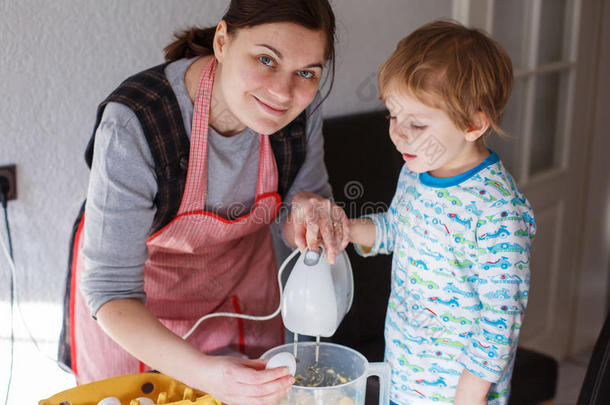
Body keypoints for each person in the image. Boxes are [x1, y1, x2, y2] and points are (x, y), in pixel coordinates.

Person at [60, 1, 350, 404]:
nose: (283, 92)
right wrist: (207, 375)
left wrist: (305, 208)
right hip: (135, 313)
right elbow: (111, 290)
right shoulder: (137, 121)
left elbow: (295, 208)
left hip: (240, 294)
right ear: (222, 40)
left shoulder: (301, 110)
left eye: (306, 72)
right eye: (266, 59)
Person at [348, 21, 535, 405]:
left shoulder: (499, 211)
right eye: (392, 116)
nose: (398, 134)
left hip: (458, 394)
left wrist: (471, 394)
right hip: (401, 378)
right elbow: (397, 231)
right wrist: (348, 228)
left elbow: (501, 318)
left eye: (416, 123)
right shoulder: (416, 171)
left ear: (473, 124)